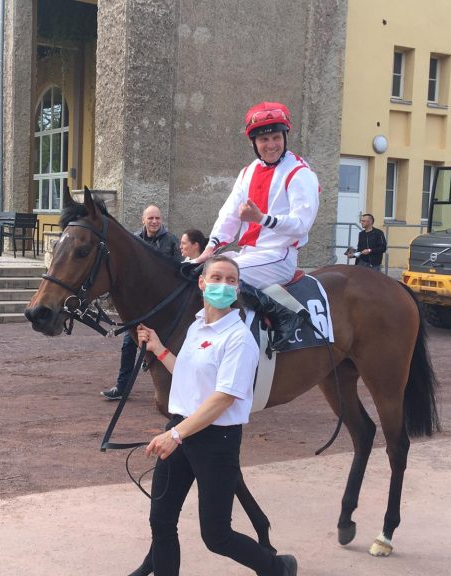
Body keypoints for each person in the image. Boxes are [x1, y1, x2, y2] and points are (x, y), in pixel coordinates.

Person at [136, 255, 297, 576]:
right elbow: (188, 374)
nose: (223, 285)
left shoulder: (239, 338)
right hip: (181, 430)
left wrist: (175, 435)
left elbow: (223, 397)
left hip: (215, 441)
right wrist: (159, 349)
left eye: (230, 280)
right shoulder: (198, 327)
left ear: (238, 289)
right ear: (202, 283)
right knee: (161, 521)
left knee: (216, 536)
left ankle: (277, 568)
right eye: (216, 278)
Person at [195, 101, 320, 350]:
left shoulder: (299, 172)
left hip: (279, 256)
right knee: (192, 270)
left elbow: (301, 225)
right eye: (264, 140)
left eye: (276, 137)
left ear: (285, 137)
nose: (271, 145)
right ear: (254, 143)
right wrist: (211, 248)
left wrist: (262, 218)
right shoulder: (248, 172)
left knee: (223, 277)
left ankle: (284, 315)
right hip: (249, 254)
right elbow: (229, 214)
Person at [101, 204, 181, 400]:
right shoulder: (134, 240)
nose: (154, 222)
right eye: (151, 218)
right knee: (129, 345)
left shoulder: (171, 241)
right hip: (140, 308)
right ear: (143, 220)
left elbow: (177, 270)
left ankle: (174, 390)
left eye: (158, 218)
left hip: (163, 307)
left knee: (168, 346)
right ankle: (122, 387)